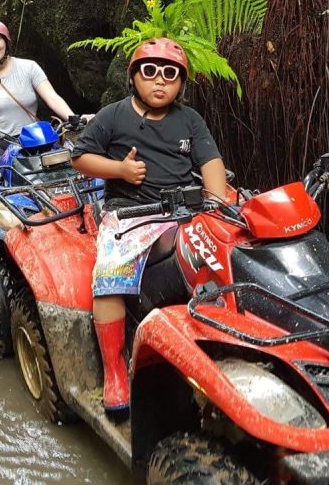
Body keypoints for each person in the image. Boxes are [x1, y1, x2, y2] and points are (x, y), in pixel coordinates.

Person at [71, 38, 227, 414]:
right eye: (150, 72)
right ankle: (115, 371)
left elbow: (211, 162)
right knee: (110, 277)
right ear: (134, 77)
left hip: (185, 210)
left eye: (170, 74)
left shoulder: (190, 120)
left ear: (181, 84)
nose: (160, 81)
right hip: (131, 214)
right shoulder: (114, 115)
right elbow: (80, 157)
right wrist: (119, 170)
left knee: (223, 260)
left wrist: (218, 205)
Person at [0, 19, 89, 181]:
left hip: (36, 139)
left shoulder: (29, 67)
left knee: (69, 173)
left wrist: (72, 117)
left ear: (6, 41)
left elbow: (52, 97)